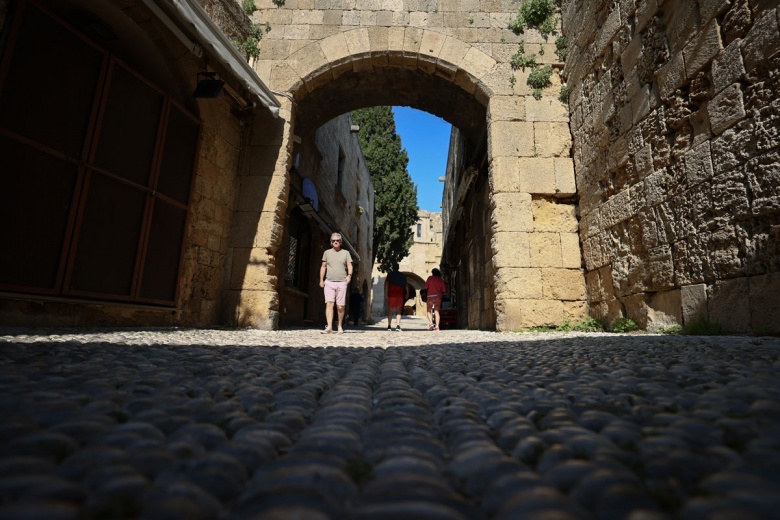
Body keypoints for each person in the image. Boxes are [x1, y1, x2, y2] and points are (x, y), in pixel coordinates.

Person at [319, 232, 353, 333]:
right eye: (333, 241)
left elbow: (350, 265)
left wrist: (349, 276)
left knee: (340, 306)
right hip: (329, 282)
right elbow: (323, 266)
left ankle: (339, 325)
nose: (335, 242)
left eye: (337, 240)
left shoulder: (346, 253)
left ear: (341, 242)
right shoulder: (327, 253)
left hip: (342, 282)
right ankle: (329, 327)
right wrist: (321, 279)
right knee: (329, 304)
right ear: (331, 242)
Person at [384, 263, 408, 331]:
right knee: (398, 311)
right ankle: (398, 325)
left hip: (391, 295)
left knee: (390, 310)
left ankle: (389, 326)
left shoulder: (390, 275)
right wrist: (407, 293)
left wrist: (386, 295)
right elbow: (406, 285)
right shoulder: (402, 275)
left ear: (392, 267)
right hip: (399, 295)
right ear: (398, 268)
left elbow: (386, 285)